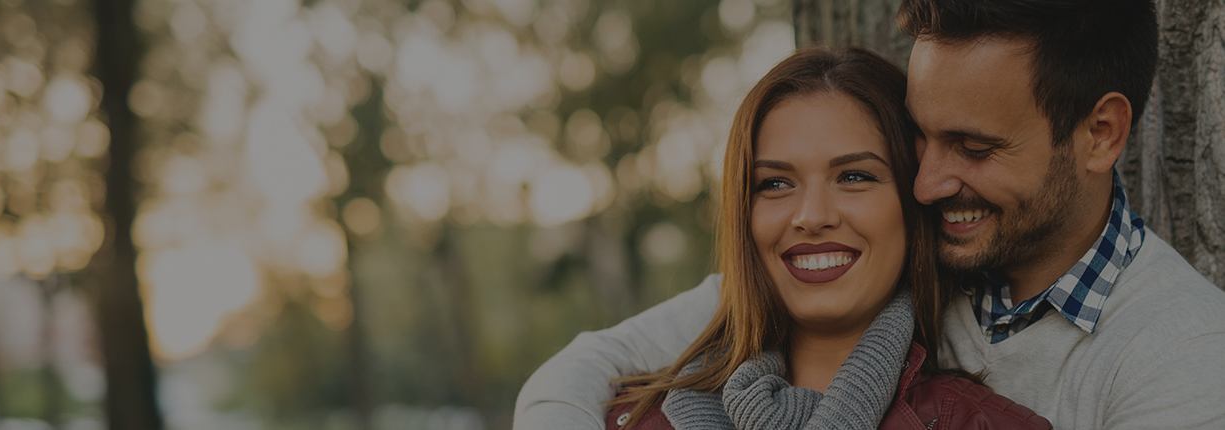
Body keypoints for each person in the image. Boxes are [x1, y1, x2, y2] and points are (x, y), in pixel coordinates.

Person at [514, 1, 1225, 429]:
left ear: (1100, 133)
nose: (930, 181)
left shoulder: (1182, 359)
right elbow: (590, 365)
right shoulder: (907, 254)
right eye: (922, 137)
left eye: (973, 147)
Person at [593, 46, 1049, 429]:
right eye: (774, 183)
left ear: (913, 206)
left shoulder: (981, 424)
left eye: (853, 176)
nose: (811, 217)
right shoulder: (627, 416)